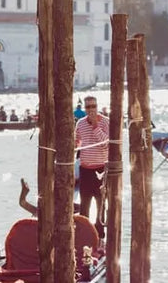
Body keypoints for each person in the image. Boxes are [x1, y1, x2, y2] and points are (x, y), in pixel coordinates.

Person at [74, 95, 109, 238]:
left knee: (101, 205)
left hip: (101, 170)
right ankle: (84, 235)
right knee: (84, 205)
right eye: (88, 107)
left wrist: (95, 126)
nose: (91, 109)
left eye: (93, 106)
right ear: (85, 108)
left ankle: (100, 235)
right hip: (85, 169)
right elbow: (77, 143)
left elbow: (106, 143)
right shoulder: (80, 123)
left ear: (97, 106)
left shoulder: (106, 122)